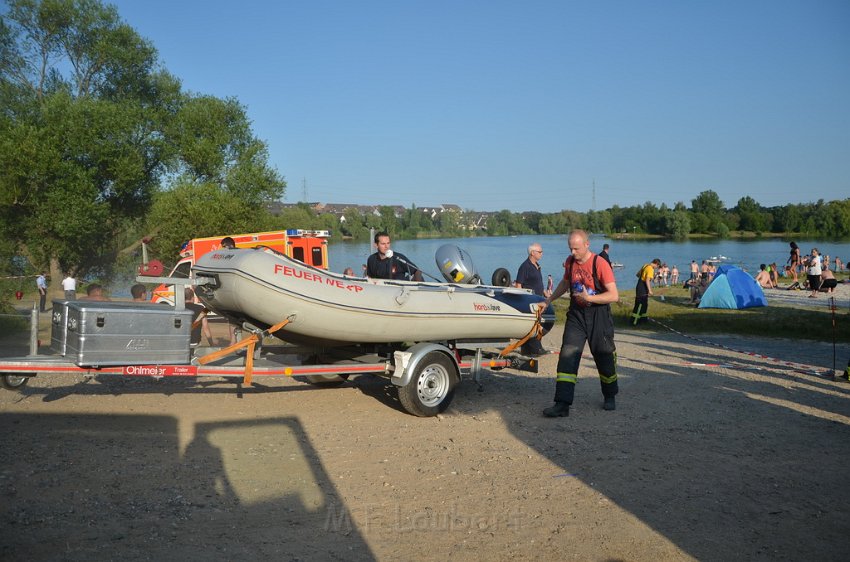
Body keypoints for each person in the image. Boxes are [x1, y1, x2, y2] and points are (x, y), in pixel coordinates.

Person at [539, 229, 619, 417]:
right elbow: (565, 283)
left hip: (598, 315)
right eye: (570, 248)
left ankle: (610, 395)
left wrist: (590, 298)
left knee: (604, 356)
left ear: (586, 244)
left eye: (576, 248)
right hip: (576, 315)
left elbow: (614, 295)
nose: (573, 252)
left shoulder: (600, 264)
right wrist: (549, 300)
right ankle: (562, 404)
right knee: (568, 355)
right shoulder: (570, 262)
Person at [513, 243, 548, 356]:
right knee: (533, 325)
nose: (542, 254)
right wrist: (522, 301)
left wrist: (545, 292)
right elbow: (519, 285)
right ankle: (536, 348)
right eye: (540, 252)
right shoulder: (525, 267)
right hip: (530, 301)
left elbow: (538, 283)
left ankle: (526, 349)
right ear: (532, 252)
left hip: (540, 299)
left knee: (537, 324)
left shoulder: (537, 265)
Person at [632, 259, 661, 325]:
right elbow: (647, 280)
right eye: (657, 266)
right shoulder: (651, 269)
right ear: (656, 264)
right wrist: (650, 290)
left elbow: (637, 275)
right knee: (640, 305)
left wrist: (652, 277)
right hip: (643, 288)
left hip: (639, 286)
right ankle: (634, 321)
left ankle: (643, 320)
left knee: (644, 304)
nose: (657, 268)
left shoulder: (645, 265)